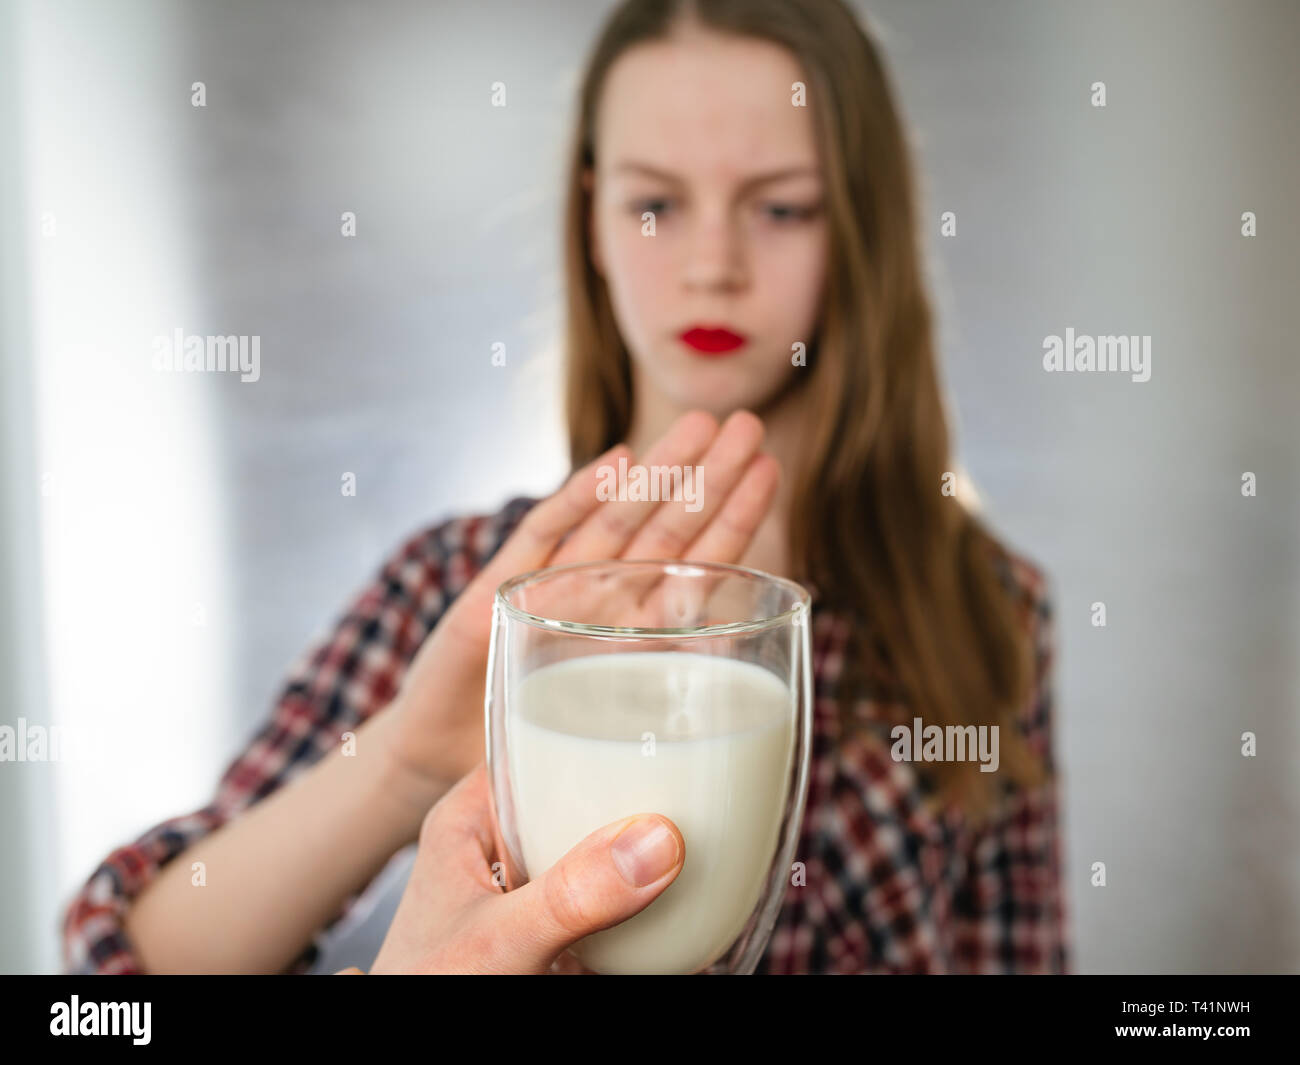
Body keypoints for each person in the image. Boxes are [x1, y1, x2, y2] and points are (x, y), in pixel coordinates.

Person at [62, 0, 1069, 975]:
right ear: (591, 217)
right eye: (654, 204)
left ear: (860, 225)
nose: (711, 264)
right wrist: (404, 767)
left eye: (779, 207)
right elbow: (127, 970)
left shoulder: (985, 613)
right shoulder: (465, 588)